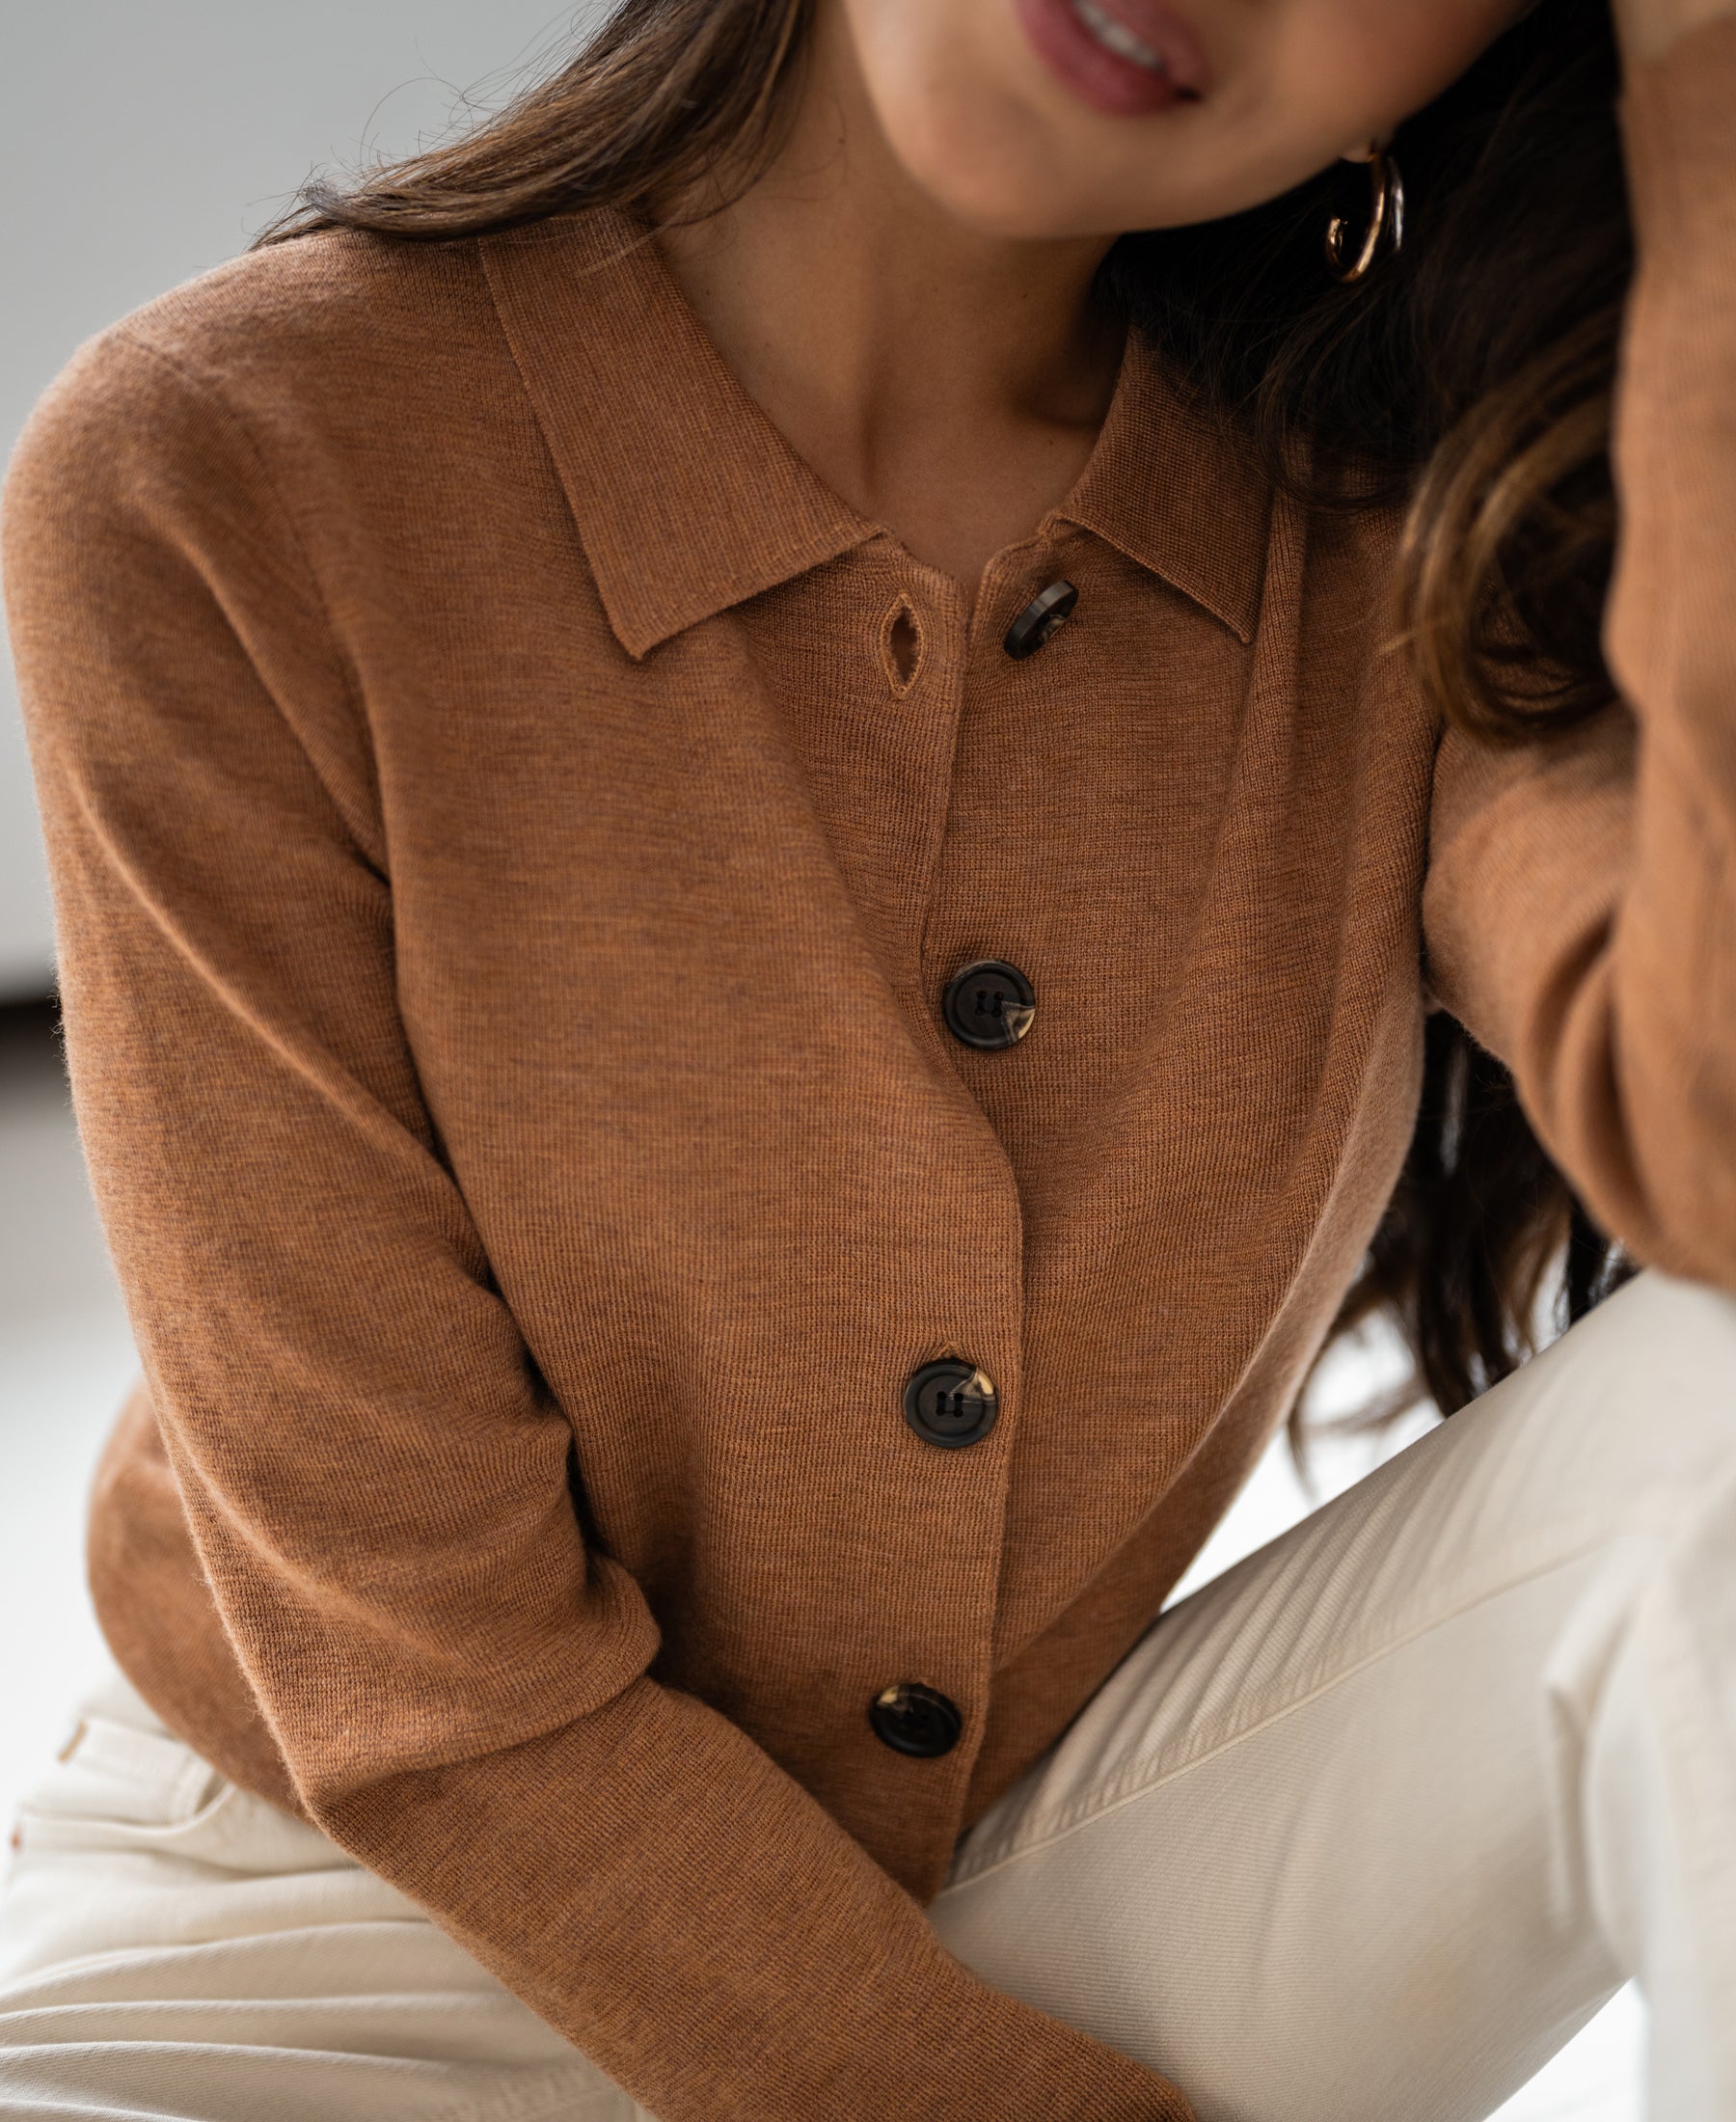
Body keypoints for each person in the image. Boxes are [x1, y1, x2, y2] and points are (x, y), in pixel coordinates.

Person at [1, 0, 1732, 2114]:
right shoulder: (224, 466)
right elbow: (430, 1689)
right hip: (308, 1947)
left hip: (1051, 1881)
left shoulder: (1390, 545)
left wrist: (1711, 120)